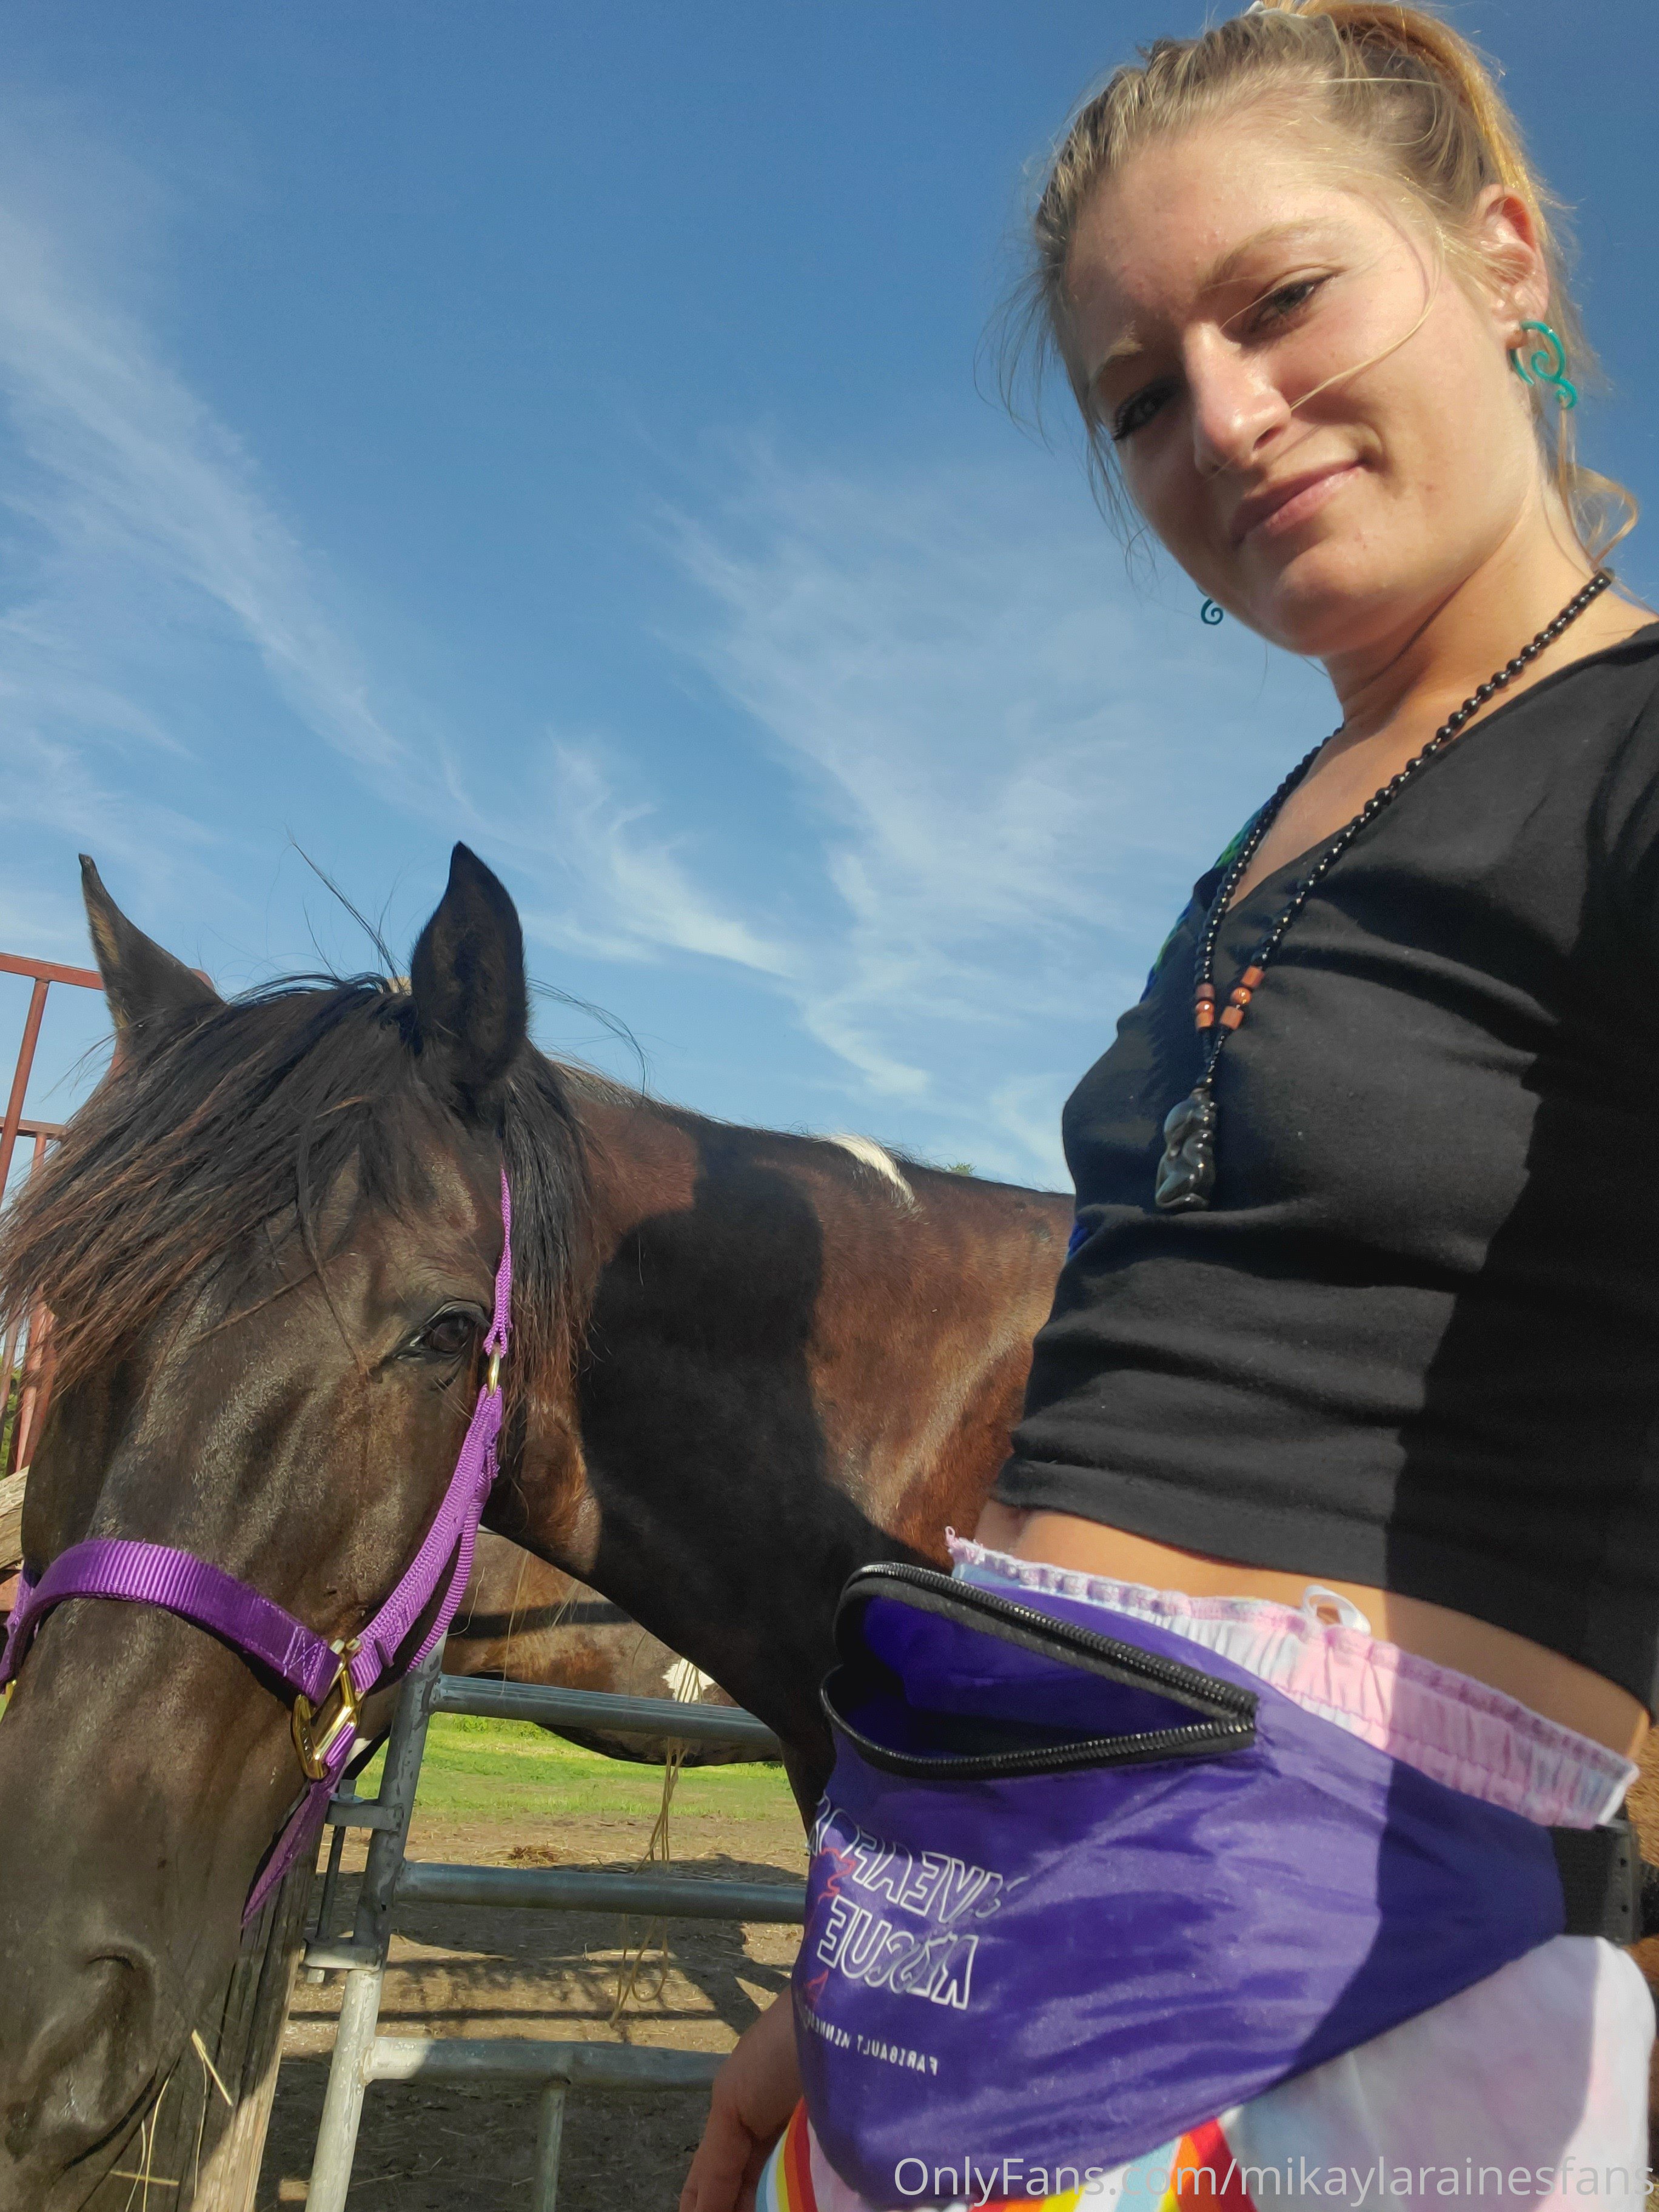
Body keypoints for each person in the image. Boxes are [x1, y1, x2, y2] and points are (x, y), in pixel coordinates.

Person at [683, 5, 1657, 2207]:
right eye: (1139, 396)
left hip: (1334, 2028)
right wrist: (868, 1978)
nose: (1221, 416)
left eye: (1283, 297)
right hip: (978, 1951)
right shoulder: (1269, 838)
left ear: (1502, 257)